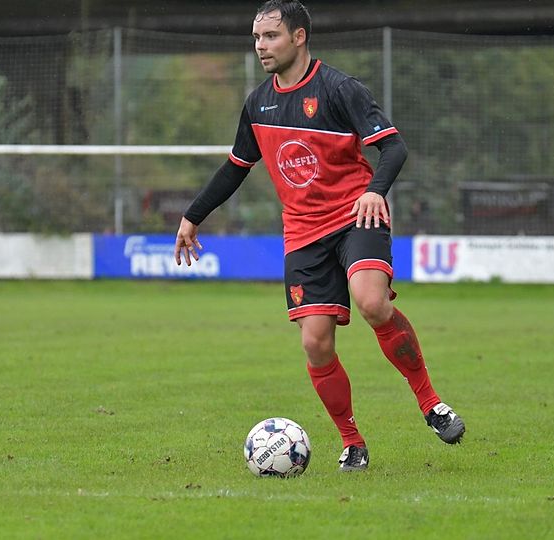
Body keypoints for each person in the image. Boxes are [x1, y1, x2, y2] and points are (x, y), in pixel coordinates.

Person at [174, 0, 464, 472]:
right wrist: (193, 216)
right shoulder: (257, 103)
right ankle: (352, 442)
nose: (261, 46)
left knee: (372, 303)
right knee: (315, 343)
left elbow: (393, 147)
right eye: (256, 37)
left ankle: (431, 404)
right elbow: (236, 167)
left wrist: (374, 191)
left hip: (356, 217)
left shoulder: (339, 89)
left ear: (299, 37)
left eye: (271, 36)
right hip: (303, 234)